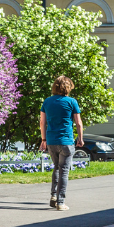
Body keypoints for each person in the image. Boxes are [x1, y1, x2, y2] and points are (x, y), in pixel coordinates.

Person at [39, 76, 83, 211]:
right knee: (64, 171)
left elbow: (42, 122)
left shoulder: (47, 101)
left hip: (51, 141)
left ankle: (53, 196)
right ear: (68, 88)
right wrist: (80, 138)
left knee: (56, 168)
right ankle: (61, 202)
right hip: (66, 141)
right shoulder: (72, 102)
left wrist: (43, 140)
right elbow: (78, 123)